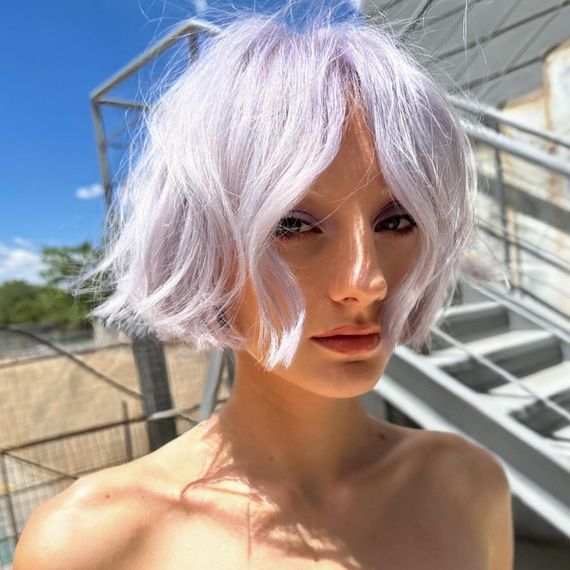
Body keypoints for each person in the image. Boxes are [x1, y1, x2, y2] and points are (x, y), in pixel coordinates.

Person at [13, 6, 513, 570]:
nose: (366, 281)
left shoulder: (470, 487)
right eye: (293, 225)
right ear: (202, 244)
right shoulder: (92, 544)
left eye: (397, 221)